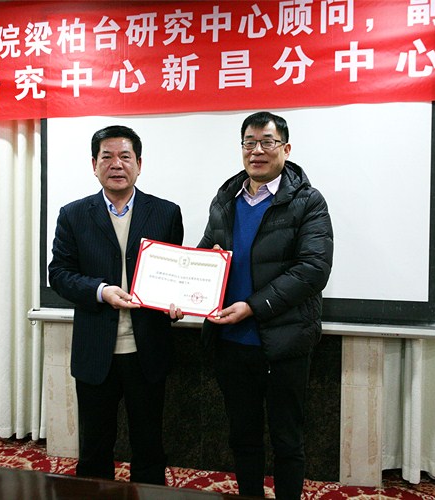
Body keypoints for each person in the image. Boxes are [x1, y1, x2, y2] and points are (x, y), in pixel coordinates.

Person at [198, 111, 334, 499]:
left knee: (287, 440)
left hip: (283, 345)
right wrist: (183, 292)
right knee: (243, 437)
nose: (257, 150)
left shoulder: (308, 201)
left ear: (285, 149)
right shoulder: (226, 198)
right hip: (231, 343)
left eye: (267, 142)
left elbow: (313, 269)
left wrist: (252, 307)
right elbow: (206, 254)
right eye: (249, 142)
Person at [48, 125, 184, 485]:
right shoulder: (73, 214)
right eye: (106, 156)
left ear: (139, 163)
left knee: (149, 446)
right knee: (94, 449)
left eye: (125, 156)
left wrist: (178, 301)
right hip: (96, 351)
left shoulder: (166, 213)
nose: (116, 164)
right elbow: (59, 274)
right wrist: (100, 290)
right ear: (94, 165)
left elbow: (175, 275)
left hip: (147, 350)